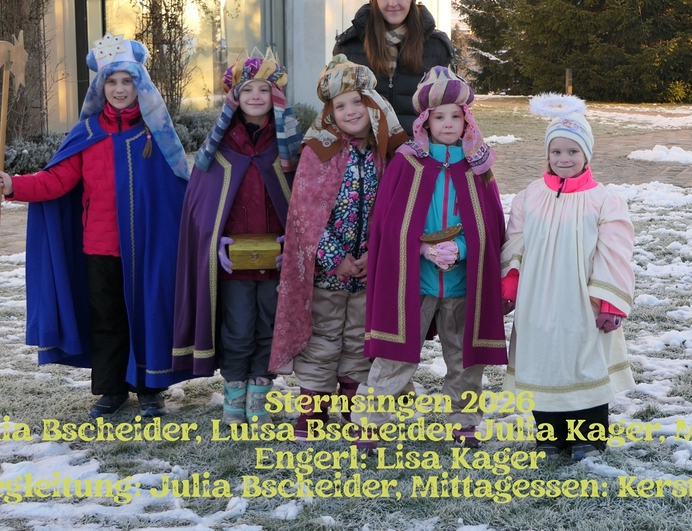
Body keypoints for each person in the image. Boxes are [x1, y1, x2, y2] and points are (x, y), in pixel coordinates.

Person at [0, 34, 191, 418]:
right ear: (101, 86)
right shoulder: (87, 133)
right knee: (106, 319)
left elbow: (182, 186)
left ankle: (150, 387)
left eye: (127, 81)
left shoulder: (158, 133)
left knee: (149, 315)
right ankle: (112, 389)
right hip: (100, 245)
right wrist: (15, 185)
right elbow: (56, 180)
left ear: (140, 85)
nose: (119, 89)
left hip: (150, 247)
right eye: (111, 82)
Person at [357, 67, 507, 448]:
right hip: (415, 282)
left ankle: (464, 421)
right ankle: (370, 421)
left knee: (464, 358)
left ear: (467, 120)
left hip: (461, 283)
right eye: (440, 117)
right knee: (395, 354)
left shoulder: (478, 167)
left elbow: (490, 225)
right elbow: (389, 224)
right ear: (425, 120)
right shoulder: (407, 163)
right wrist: (422, 248)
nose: (448, 123)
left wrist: (462, 248)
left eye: (456, 116)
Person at [267, 55, 407, 440]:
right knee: (323, 337)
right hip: (327, 272)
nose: (350, 111)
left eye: (357, 101)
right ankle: (313, 407)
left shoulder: (386, 154)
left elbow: (396, 209)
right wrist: (335, 259)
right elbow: (305, 212)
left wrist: (373, 256)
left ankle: (351, 400)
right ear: (330, 113)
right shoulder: (319, 151)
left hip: (369, 269)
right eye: (340, 105)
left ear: (374, 105)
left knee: (360, 336)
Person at [501, 94, 635, 460]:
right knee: (541, 362)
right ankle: (550, 436)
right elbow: (515, 243)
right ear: (547, 154)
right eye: (556, 151)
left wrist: (610, 302)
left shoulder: (604, 201)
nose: (564, 158)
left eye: (573, 151)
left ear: (586, 155)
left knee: (583, 363)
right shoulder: (530, 196)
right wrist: (509, 286)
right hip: (537, 300)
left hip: (581, 300)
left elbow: (614, 252)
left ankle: (588, 437)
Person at [171, 50, 301, 424]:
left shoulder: (290, 149)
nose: (256, 96)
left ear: (276, 95)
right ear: (235, 96)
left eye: (264, 89)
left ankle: (259, 394)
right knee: (238, 328)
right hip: (232, 264)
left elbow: (303, 204)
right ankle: (234, 394)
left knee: (269, 327)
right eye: (248, 90)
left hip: (276, 262)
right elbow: (201, 208)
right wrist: (216, 242)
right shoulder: (220, 149)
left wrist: (290, 243)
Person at [333, 0, 454, 136]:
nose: (392, 3)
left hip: (418, 150)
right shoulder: (348, 47)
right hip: (367, 149)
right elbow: (336, 107)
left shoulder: (437, 47)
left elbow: (449, 108)